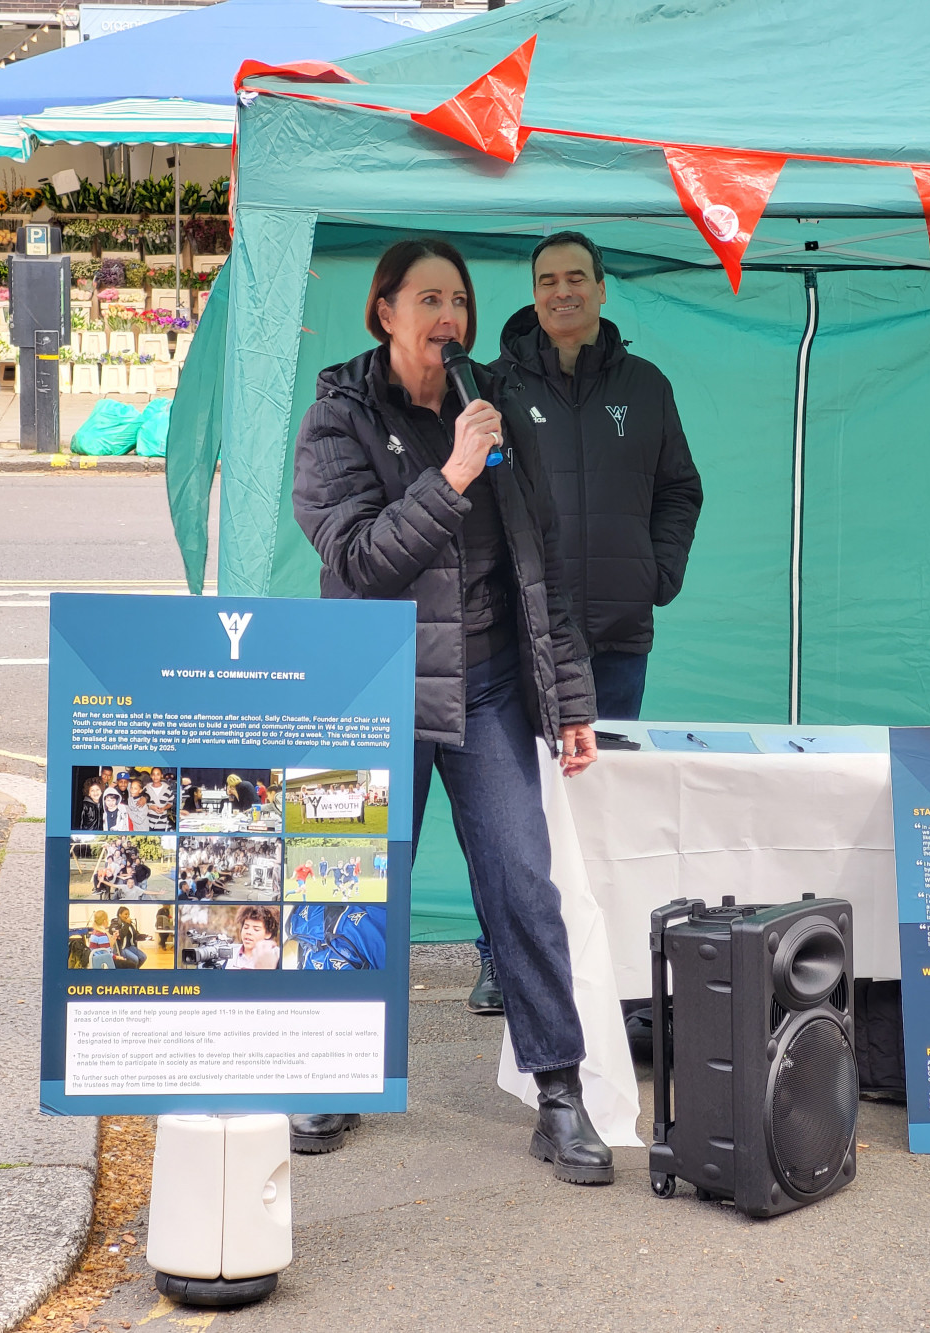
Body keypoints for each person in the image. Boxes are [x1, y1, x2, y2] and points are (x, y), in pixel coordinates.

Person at [292, 238, 610, 1184]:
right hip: (373, 683)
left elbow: (536, 564)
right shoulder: (337, 417)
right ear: (384, 312)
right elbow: (359, 560)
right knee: (350, 884)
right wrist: (455, 474)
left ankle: (559, 1094)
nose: (450, 319)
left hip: (491, 682)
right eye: (429, 299)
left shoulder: (493, 407)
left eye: (461, 301)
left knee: (522, 881)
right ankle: (330, 1074)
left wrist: (571, 703)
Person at [464, 231, 704, 1017]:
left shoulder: (648, 385)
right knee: (513, 815)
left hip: (617, 637)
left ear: (603, 290)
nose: (561, 292)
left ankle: (605, 956)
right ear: (533, 295)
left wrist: (656, 573)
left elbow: (681, 489)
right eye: (547, 281)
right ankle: (501, 954)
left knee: (605, 805)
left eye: (576, 278)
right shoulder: (495, 388)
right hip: (525, 642)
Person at [224, 905, 280, 970]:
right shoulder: (228, 951)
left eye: (256, 929)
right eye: (246, 927)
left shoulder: (276, 956)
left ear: (268, 933)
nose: (248, 932)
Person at [144, 767, 175, 831]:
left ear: (162, 775)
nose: (155, 777)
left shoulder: (167, 788)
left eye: (158, 774)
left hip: (162, 823)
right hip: (148, 822)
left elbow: (170, 803)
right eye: (153, 774)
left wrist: (164, 808)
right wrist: (150, 807)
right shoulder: (146, 789)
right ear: (151, 776)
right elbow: (141, 804)